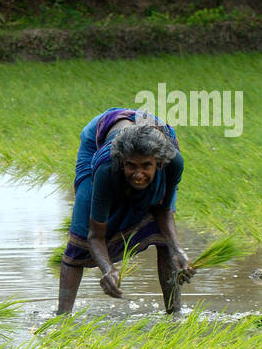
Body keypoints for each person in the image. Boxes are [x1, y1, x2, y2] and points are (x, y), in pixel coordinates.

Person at [55, 108, 193, 315]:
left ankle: (175, 314)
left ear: (159, 163)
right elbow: (94, 235)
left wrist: (177, 248)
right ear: (122, 163)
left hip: (156, 132)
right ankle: (61, 318)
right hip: (100, 137)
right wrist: (108, 269)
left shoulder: (173, 163)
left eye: (146, 166)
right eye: (131, 166)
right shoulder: (107, 167)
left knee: (165, 238)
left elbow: (164, 210)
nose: (138, 175)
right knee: (80, 232)